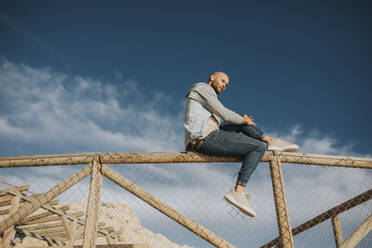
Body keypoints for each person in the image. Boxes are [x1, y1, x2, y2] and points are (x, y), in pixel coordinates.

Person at [184, 71, 298, 217]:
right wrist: (243, 120)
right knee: (259, 147)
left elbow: (225, 119)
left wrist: (243, 121)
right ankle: (238, 191)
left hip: (210, 135)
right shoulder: (203, 89)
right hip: (205, 138)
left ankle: (270, 140)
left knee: (241, 123)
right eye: (223, 80)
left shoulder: (206, 105)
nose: (225, 85)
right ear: (212, 77)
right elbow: (223, 112)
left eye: (227, 84)